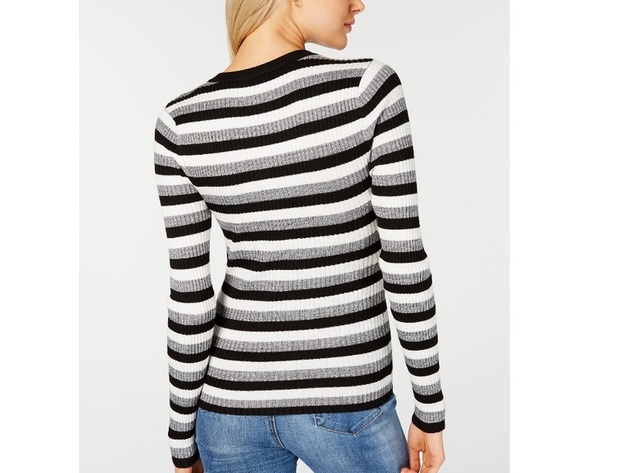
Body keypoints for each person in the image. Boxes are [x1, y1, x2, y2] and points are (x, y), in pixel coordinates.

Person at [153, 1, 447, 472]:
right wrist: (429, 407)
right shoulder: (367, 90)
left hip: (227, 411)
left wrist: (182, 439)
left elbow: (190, 297)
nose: (358, 4)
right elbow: (404, 260)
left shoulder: (180, 123)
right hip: (347, 398)